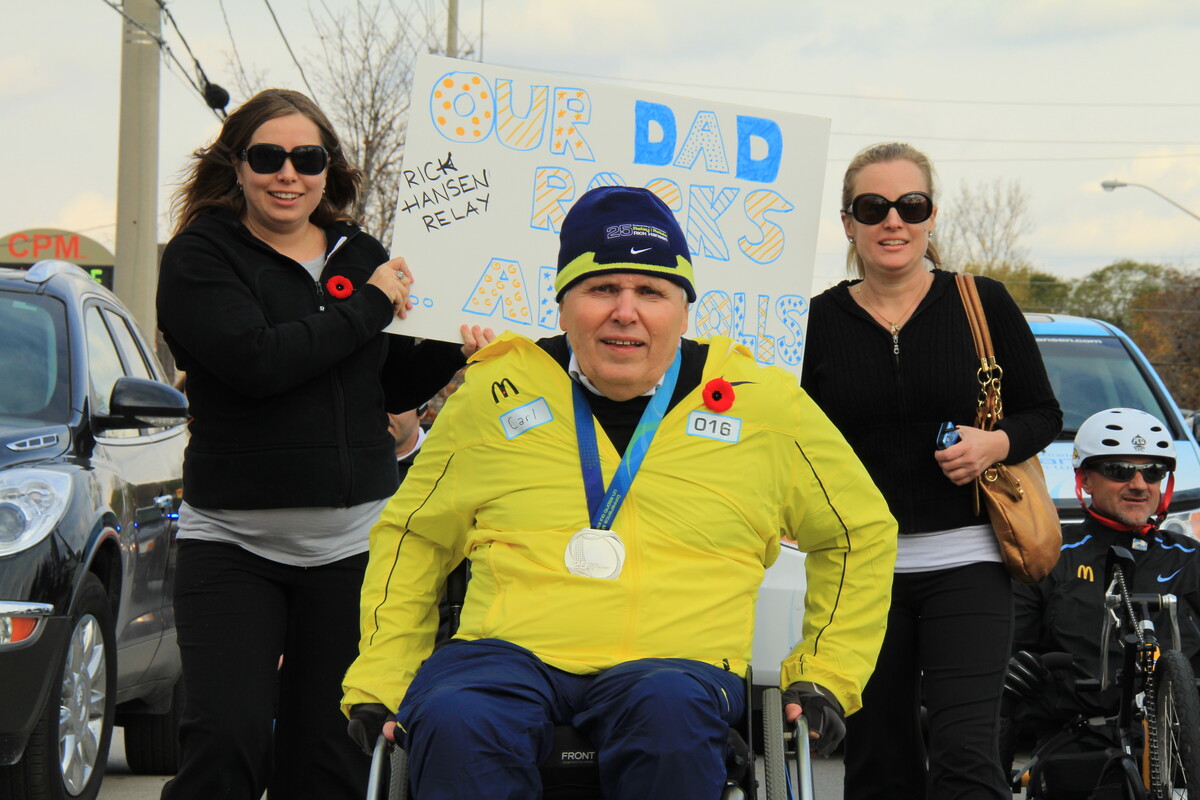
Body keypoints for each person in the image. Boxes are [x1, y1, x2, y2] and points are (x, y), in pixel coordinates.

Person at [341, 185, 899, 799]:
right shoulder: (496, 394)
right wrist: (383, 676)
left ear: (684, 311)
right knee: (455, 715)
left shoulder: (763, 405)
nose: (625, 312)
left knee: (667, 715)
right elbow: (413, 537)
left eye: (651, 292)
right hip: (506, 655)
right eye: (602, 288)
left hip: (677, 663)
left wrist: (824, 673)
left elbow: (859, 532)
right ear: (562, 305)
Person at [155, 88, 490, 800]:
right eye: (267, 157)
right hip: (233, 547)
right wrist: (369, 303)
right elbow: (257, 362)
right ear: (237, 165)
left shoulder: (361, 253)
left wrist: (454, 348)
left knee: (330, 760)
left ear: (327, 168)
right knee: (226, 743)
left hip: (352, 551)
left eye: (307, 158)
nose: (288, 174)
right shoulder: (199, 257)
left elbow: (388, 385)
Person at [799, 142, 1062, 799]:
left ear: (931, 216)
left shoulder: (983, 302)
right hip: (861, 573)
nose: (893, 220)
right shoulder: (815, 321)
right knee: (876, 762)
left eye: (910, 205)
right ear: (847, 223)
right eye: (873, 207)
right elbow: (782, 434)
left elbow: (1044, 413)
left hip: (969, 564)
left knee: (966, 757)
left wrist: (994, 443)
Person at [1005, 408, 1199, 763]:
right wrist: (1012, 667)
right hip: (1080, 744)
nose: (1139, 484)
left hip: (1184, 749)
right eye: (1119, 470)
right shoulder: (1049, 555)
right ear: (1085, 480)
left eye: (1153, 472)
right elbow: (1009, 650)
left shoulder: (1191, 559)